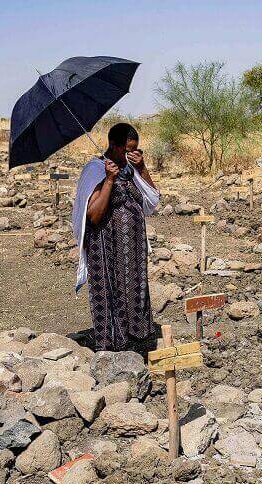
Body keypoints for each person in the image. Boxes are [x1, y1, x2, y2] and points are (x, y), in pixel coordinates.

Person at [71, 123, 160, 352]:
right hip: (106, 243)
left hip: (132, 244)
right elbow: (93, 214)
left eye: (135, 149)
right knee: (110, 289)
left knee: (133, 288)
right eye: (128, 149)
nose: (131, 154)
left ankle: (135, 338)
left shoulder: (129, 168)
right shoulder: (95, 170)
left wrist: (142, 168)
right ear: (114, 145)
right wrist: (109, 180)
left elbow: (151, 199)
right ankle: (111, 345)